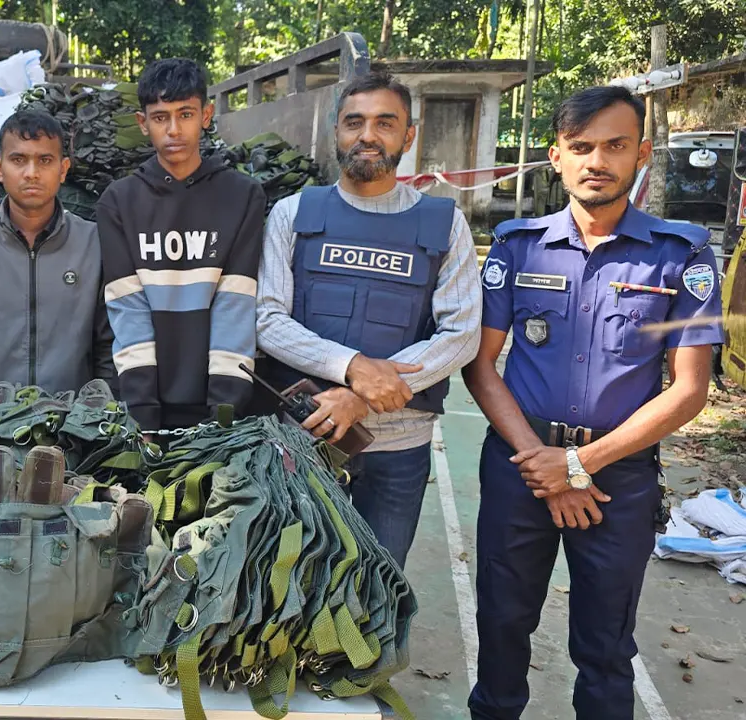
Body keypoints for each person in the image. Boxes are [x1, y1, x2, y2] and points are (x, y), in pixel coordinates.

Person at [463, 85, 722, 720]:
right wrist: (544, 465)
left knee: (606, 645)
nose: (596, 161)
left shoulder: (681, 255)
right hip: (519, 467)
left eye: (615, 145)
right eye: (580, 147)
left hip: (618, 479)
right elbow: (481, 365)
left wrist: (579, 465)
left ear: (642, 154)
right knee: (501, 624)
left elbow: (689, 388)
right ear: (556, 155)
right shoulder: (517, 245)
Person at [255, 72, 481, 569]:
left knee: (378, 583)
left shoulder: (446, 223)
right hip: (305, 435)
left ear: (408, 135)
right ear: (336, 131)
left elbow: (461, 334)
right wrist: (353, 366)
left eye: (385, 123)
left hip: (399, 449)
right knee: (291, 582)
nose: (368, 135)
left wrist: (361, 399)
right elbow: (267, 320)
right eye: (354, 122)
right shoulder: (292, 214)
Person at [98, 57, 266, 432]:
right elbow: (128, 310)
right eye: (160, 117)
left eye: (185, 114)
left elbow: (235, 305)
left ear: (206, 115)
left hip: (220, 406)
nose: (173, 130)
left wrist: (223, 415)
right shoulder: (118, 202)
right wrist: (142, 415)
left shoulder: (243, 196)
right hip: (144, 404)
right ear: (143, 123)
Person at [0, 109, 115, 393]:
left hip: (72, 416)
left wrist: (97, 409)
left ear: (63, 169)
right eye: (18, 160)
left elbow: (107, 344)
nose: (31, 173)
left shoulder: (94, 243)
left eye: (45, 160)